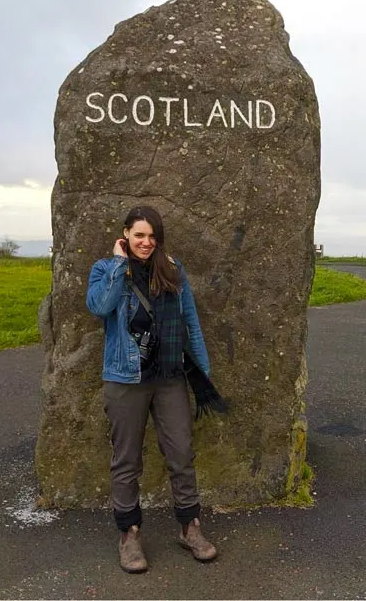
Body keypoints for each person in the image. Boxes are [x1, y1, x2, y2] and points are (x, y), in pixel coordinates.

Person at [86, 205, 218, 573]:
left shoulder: (173, 271)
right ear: (125, 234)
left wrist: (201, 375)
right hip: (125, 379)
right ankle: (129, 535)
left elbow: (190, 322)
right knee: (126, 460)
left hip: (169, 377)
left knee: (182, 453)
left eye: (151, 236)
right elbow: (99, 306)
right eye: (138, 235)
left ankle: (190, 527)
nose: (146, 242)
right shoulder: (105, 269)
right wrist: (117, 264)